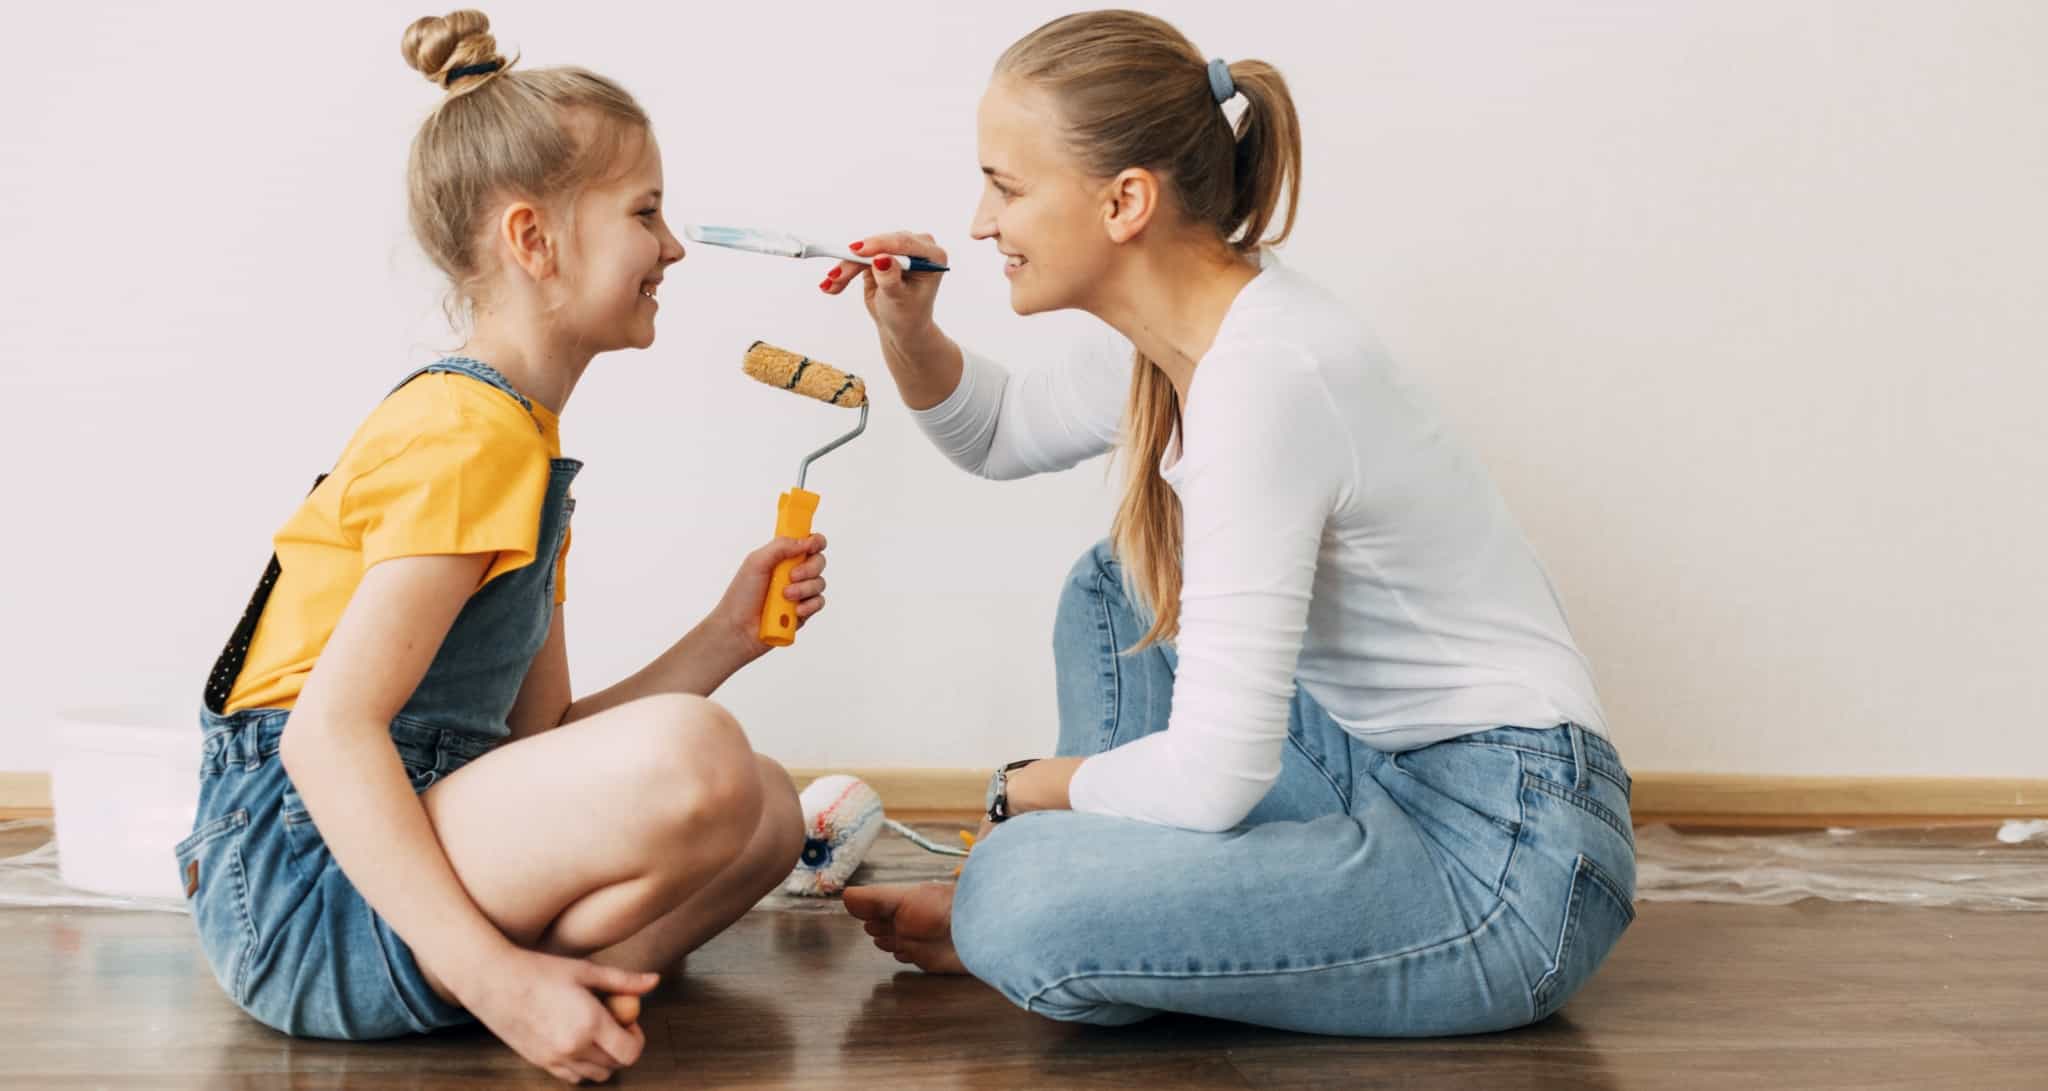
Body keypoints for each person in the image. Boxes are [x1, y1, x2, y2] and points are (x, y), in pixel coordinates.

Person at [831, 9, 1636, 1037]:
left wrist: (1024, 790)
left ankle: (1079, 915)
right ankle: (1115, 910)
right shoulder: (1192, 325)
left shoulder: (1266, 379)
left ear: (1124, 201)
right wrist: (909, 328)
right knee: (1110, 581)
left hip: (1504, 860)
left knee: (1016, 893)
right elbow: (994, 431)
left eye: (1006, 185)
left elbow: (1215, 775)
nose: (982, 223)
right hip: (1377, 769)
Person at [174, 11, 818, 1083]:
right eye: (646, 213)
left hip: (417, 834)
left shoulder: (525, 444)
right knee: (698, 752)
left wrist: (724, 635)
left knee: (769, 805)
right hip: (304, 882)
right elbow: (325, 738)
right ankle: (510, 983)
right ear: (534, 239)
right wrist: (488, 967)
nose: (672, 246)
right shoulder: (467, 433)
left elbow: (541, 738)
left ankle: (557, 987)